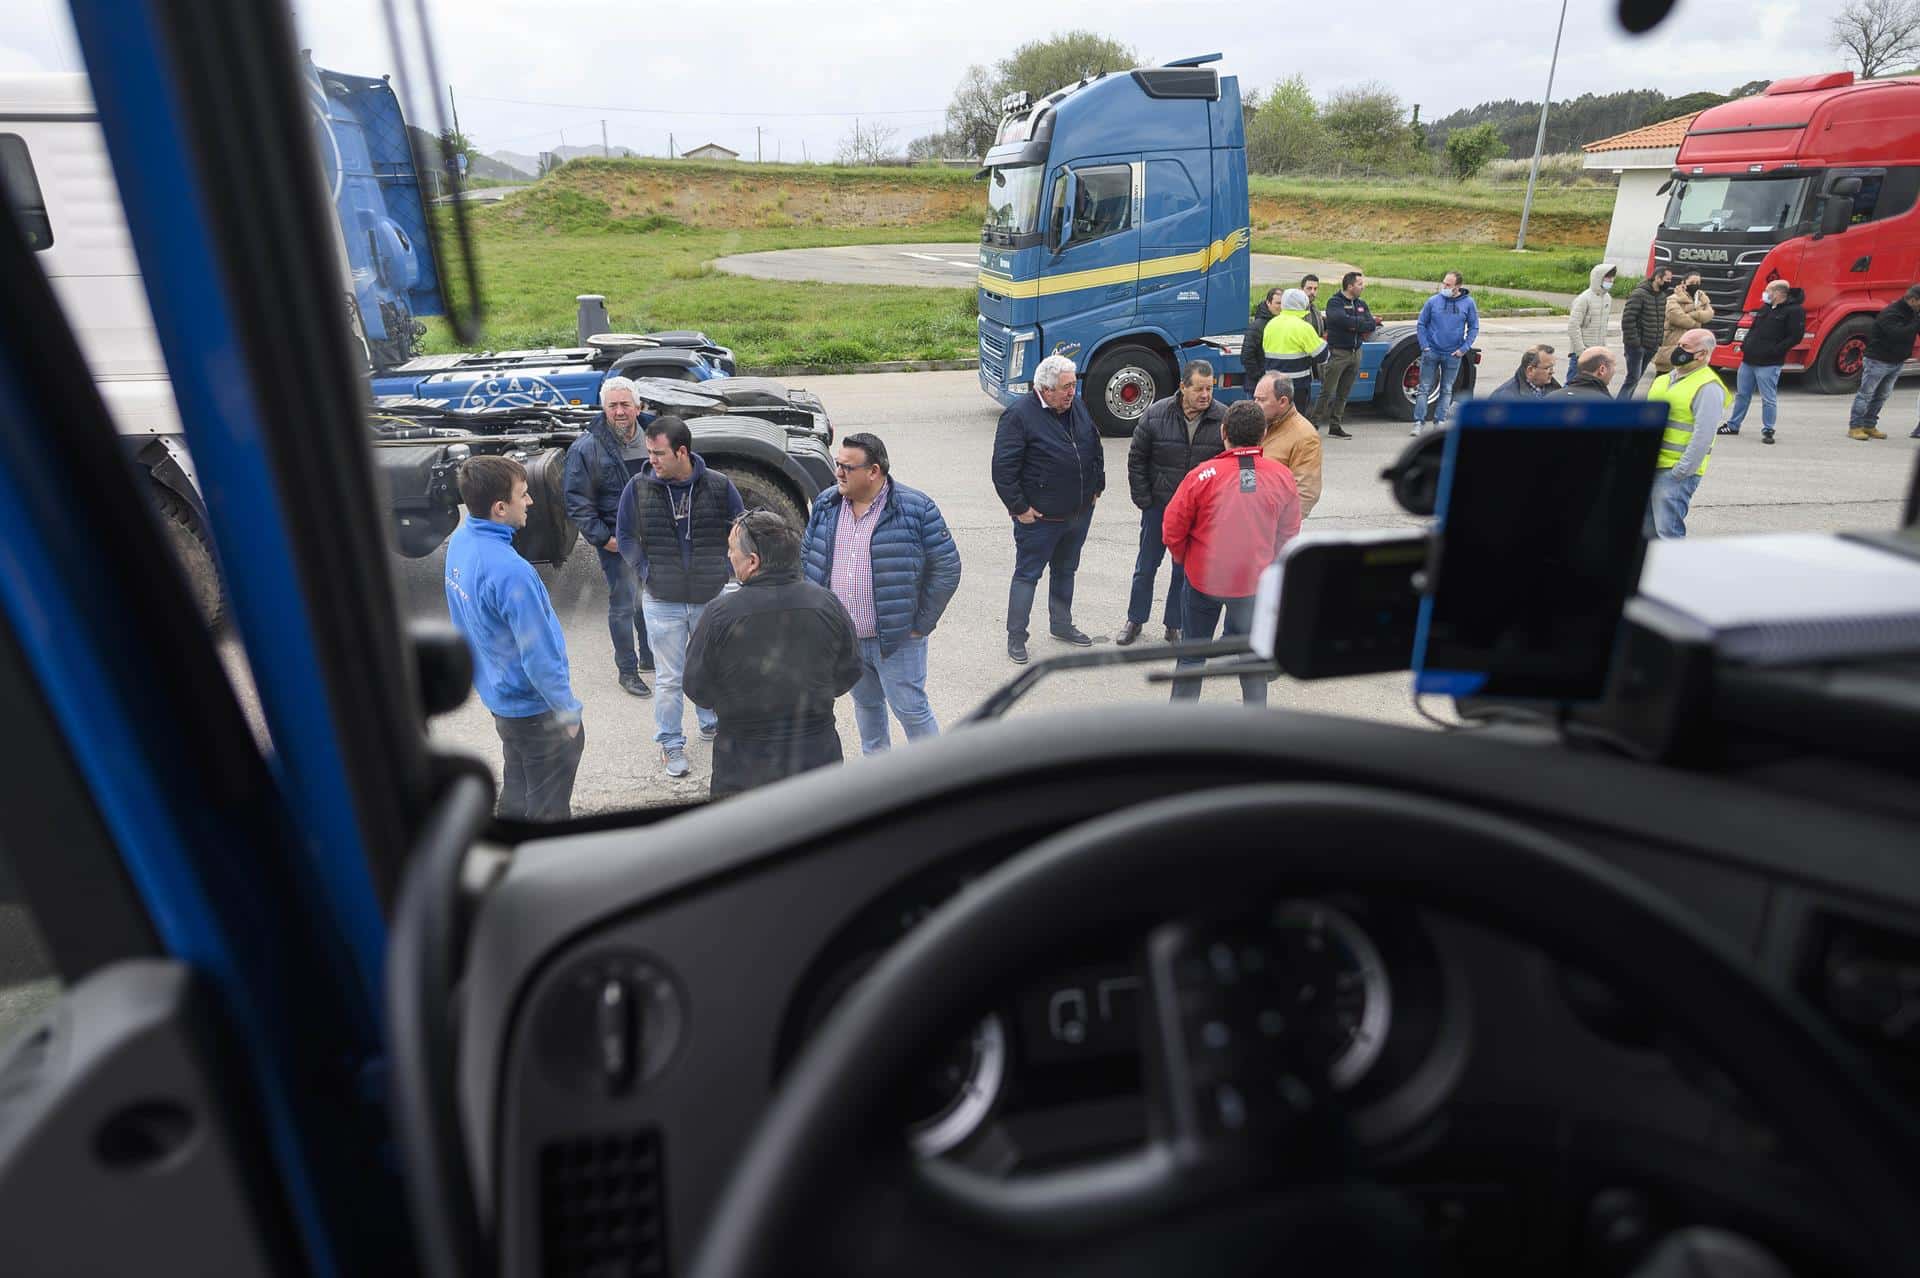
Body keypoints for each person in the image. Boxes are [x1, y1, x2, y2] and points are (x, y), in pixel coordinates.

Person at [800, 432, 961, 754]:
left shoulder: (916, 508)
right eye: (837, 465)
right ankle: (878, 775)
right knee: (867, 707)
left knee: (911, 711)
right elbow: (808, 557)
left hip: (897, 640)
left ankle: (937, 779)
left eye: (848, 467)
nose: (839, 473)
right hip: (848, 639)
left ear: (874, 471)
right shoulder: (827, 504)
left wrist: (920, 624)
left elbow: (947, 568)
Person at [443, 456, 584, 821]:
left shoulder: (460, 541)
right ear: (500, 507)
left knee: (519, 788)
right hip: (535, 711)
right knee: (548, 810)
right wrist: (567, 713)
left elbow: (463, 621)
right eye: (524, 494)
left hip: (501, 702)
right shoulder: (512, 572)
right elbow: (539, 655)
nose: (531, 502)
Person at [683, 510, 861, 798]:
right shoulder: (826, 604)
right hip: (817, 758)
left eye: (731, 550)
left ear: (753, 562)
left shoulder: (720, 615)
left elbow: (696, 686)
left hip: (743, 764)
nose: (729, 556)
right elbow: (850, 670)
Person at [615, 414, 744, 779]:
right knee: (670, 679)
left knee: (712, 669)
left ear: (682, 451)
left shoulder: (719, 485)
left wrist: (727, 570)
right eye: (649, 453)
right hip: (663, 599)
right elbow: (624, 536)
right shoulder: (637, 488)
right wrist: (645, 571)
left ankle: (710, 722)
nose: (651, 460)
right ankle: (671, 744)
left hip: (709, 596)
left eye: (658, 454)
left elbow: (740, 528)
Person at [1162, 401, 1302, 707]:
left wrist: (1185, 559)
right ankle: (1257, 731)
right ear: (1263, 434)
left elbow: (1172, 528)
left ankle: (1176, 730)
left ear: (1223, 432)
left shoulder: (1202, 476)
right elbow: (1289, 533)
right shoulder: (1282, 476)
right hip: (1253, 586)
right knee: (1252, 659)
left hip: (1204, 582)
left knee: (1191, 657)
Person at [991, 353, 1104, 664]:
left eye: (1074, 384)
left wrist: (1098, 486)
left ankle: (1062, 625)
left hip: (1078, 513)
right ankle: (1016, 637)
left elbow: (1093, 445)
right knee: (1027, 575)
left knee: (1065, 570)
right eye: (1066, 387)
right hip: (1039, 519)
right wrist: (1019, 507)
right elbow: (1003, 469)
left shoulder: (1075, 405)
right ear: (1045, 388)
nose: (1073, 392)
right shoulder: (1018, 416)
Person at [1119, 360, 1226, 646]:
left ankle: (1174, 625)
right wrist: (1144, 500)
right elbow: (1137, 459)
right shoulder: (1155, 414)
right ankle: (1135, 619)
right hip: (1160, 508)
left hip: (1197, 515)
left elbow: (1228, 467)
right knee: (1146, 566)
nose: (1206, 395)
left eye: (1210, 388)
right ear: (1183, 387)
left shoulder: (1223, 419)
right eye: (1199, 389)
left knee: (1183, 571)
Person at [563, 376, 653, 698]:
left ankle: (648, 655)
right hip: (617, 541)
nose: (619, 411)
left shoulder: (654, 437)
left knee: (649, 597)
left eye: (625, 405)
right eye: (612, 405)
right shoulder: (586, 448)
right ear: (603, 408)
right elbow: (577, 500)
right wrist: (604, 538)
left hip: (652, 538)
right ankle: (627, 671)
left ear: (638, 407)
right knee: (624, 602)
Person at [1645, 329, 1727, 540]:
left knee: (1667, 534)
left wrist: (1682, 471)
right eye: (1679, 344)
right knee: (1647, 532)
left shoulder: (1708, 387)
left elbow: (1704, 435)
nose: (1678, 350)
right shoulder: (1664, 379)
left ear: (1701, 354)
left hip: (1674, 472)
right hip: (1651, 465)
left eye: (1685, 347)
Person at [1724, 280, 1804, 444]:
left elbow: (1795, 337)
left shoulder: (1794, 311)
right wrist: (1746, 345)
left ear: (1778, 293)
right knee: (1742, 395)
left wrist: (1774, 351)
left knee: (1768, 398)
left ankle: (1768, 429)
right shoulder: (1766, 308)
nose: (1765, 294)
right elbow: (1754, 329)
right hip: (1749, 359)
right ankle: (1733, 425)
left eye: (1768, 291)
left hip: (1769, 363)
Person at [1849, 283, 1920, 442]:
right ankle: (1855, 427)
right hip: (1878, 360)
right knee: (1866, 394)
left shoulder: (1913, 313)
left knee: (1882, 396)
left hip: (1897, 361)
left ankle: (1869, 424)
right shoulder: (1891, 313)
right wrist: (1917, 322)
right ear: (1913, 300)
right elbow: (1898, 334)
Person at [1411, 271, 1479, 436]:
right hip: (1431, 352)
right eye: (1444, 283)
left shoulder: (1468, 304)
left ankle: (1439, 422)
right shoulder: (1433, 301)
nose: (1444, 287)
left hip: (1452, 355)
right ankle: (1418, 423)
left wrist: (1463, 349)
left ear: (1458, 287)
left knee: (1447, 389)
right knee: (1423, 388)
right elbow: (1421, 324)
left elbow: (1474, 327)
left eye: (1448, 285)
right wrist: (1425, 346)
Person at [1252, 372, 1322, 517]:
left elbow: (1306, 492)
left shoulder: (1305, 436)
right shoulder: (1259, 423)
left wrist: (1280, 527)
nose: (1255, 405)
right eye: (1255, 399)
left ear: (1283, 401)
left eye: (1262, 400)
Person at [1320, 270, 1379, 441]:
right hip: (1339, 353)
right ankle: (1313, 425)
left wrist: (1355, 324)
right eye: (1360, 284)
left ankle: (1335, 426)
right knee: (1327, 391)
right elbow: (1340, 320)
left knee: (1344, 392)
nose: (1363, 287)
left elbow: (1371, 325)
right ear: (1350, 286)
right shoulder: (1335, 302)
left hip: (1356, 352)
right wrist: (1359, 324)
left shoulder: (1361, 303)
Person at [1262, 287, 1327, 419]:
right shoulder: (1303, 327)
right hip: (1297, 386)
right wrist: (1322, 341)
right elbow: (1322, 356)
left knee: (1275, 421)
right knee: (1295, 421)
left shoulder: (1271, 324)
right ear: (1303, 304)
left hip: (1273, 384)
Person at [1618, 267, 1672, 398]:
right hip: (1637, 347)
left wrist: (1658, 342)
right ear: (1658, 278)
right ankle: (1619, 406)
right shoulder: (1639, 294)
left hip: (1652, 345)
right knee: (1633, 378)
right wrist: (1636, 343)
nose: (1670, 282)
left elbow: (1660, 320)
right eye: (1667, 279)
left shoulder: (1661, 296)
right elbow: (1628, 320)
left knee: (1636, 378)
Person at [1653, 274, 1713, 373]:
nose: (1695, 285)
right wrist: (1698, 321)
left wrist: (1692, 314)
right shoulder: (1673, 298)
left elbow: (1709, 314)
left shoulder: (1702, 299)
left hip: (1691, 346)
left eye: (1697, 283)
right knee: (1663, 377)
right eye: (1692, 283)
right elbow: (1677, 318)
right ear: (1683, 283)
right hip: (1672, 343)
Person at [1566, 264, 1617, 381]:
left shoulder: (1607, 298)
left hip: (1598, 353)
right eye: (1608, 278)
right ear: (1598, 278)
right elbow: (1573, 326)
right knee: (1572, 384)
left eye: (1612, 278)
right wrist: (1581, 351)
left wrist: (1603, 349)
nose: (1611, 281)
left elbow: (1603, 326)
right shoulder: (1584, 299)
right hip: (1582, 352)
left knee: (1592, 385)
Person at [1241, 287, 1283, 399]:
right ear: (1268, 303)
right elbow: (1246, 355)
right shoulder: (1257, 326)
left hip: (1274, 384)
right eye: (1278, 303)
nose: (1281, 307)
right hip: (1257, 386)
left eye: (1283, 303)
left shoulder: (1281, 324)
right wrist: (1260, 376)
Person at [1488, 345, 1562, 400]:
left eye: (1552, 367)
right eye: (1547, 368)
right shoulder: (1505, 397)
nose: (1552, 372)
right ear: (1530, 370)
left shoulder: (1556, 390)